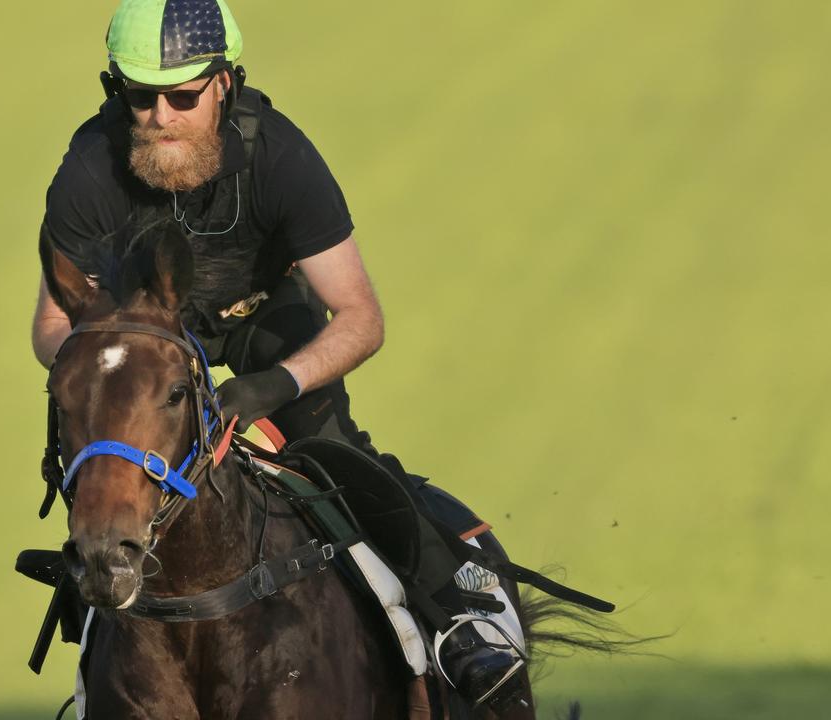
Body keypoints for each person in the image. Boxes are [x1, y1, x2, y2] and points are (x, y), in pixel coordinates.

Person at [31, 0, 528, 710]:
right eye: (141, 97)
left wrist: (273, 386)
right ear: (117, 94)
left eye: (183, 95)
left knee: (332, 449)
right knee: (105, 462)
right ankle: (91, 655)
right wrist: (99, 362)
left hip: (267, 325)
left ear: (225, 85)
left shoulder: (283, 157)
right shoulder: (87, 168)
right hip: (143, 339)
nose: (161, 115)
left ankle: (454, 616)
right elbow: (53, 323)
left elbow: (360, 317)